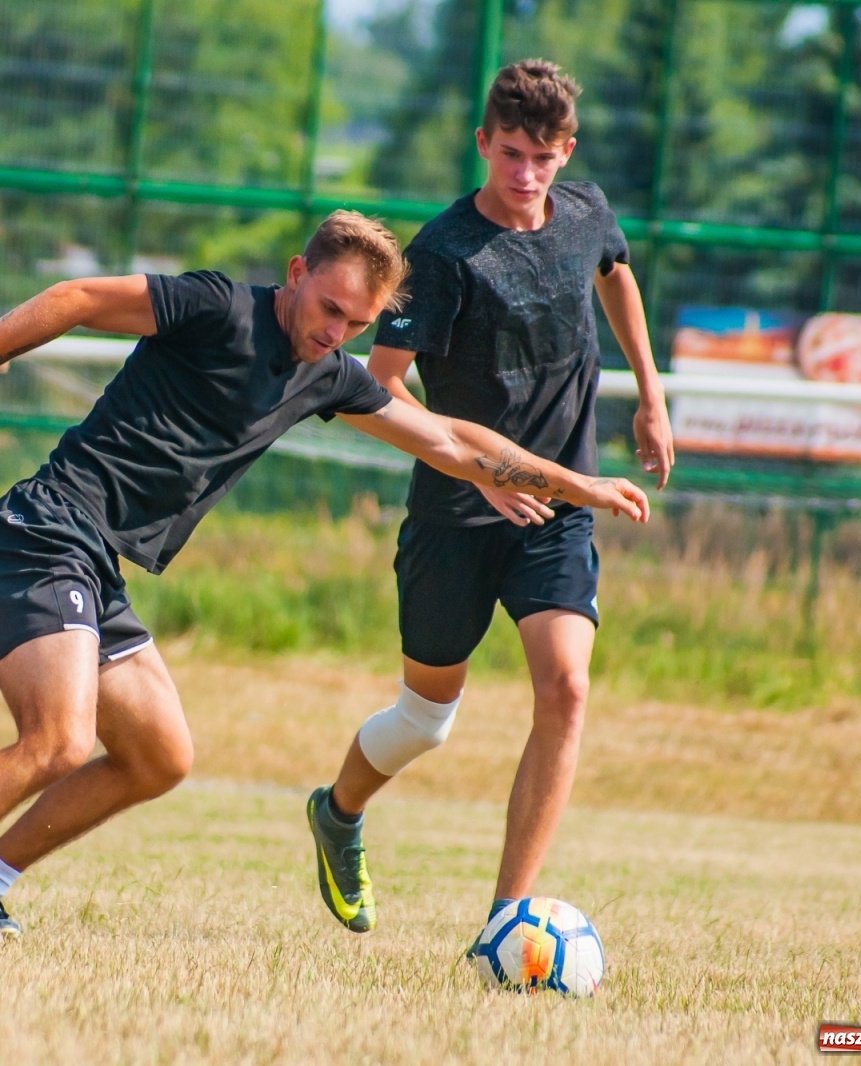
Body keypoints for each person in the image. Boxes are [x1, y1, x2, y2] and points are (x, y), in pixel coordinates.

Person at [0, 210, 649, 946]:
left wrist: (575, 484)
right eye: (330, 309)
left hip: (93, 562)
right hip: (40, 533)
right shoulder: (217, 306)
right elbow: (77, 297)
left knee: (159, 754)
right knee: (59, 740)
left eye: (358, 324)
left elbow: (450, 443)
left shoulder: (329, 375)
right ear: (297, 274)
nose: (337, 333)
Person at [304, 59, 675, 940]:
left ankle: (507, 917)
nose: (525, 175)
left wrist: (651, 394)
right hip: (457, 516)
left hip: (556, 514)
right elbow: (378, 388)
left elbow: (615, 273)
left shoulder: (584, 214)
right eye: (510, 154)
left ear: (565, 152)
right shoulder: (440, 257)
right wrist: (477, 470)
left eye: (542, 157)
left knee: (568, 689)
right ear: (482, 144)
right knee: (426, 719)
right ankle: (338, 811)